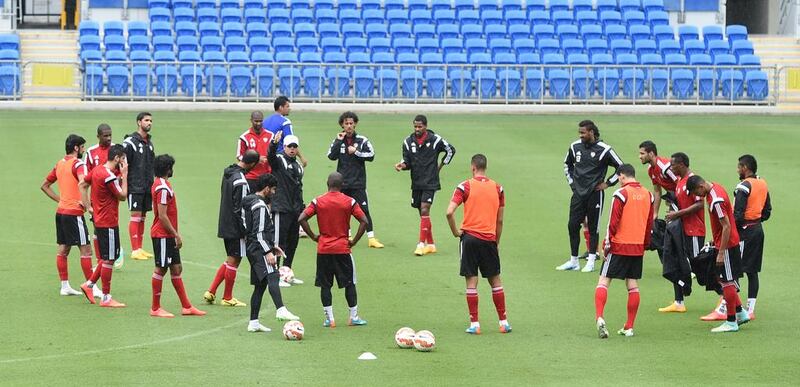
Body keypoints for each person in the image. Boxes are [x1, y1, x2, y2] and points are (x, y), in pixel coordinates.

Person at [445, 154, 511, 335]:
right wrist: (495, 242)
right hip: (489, 239)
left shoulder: (464, 186)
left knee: (471, 282)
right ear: (485, 167)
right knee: (495, 280)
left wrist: (455, 232)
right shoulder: (498, 188)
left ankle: (475, 324)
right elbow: (500, 221)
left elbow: (449, 212)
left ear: (473, 167)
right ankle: (503, 322)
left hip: (469, 239)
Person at [299, 172, 370, 328]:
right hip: (343, 249)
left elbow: (301, 218)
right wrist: (354, 241)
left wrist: (314, 236)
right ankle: (353, 317)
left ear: (327, 184)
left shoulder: (318, 201)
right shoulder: (349, 201)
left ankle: (329, 319)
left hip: (323, 249)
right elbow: (364, 221)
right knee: (350, 283)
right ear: (342, 185)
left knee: (325, 285)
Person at [594, 164, 654, 339]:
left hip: (619, 245)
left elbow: (613, 222)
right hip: (637, 247)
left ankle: (599, 317)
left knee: (604, 281)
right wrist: (644, 244)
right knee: (632, 285)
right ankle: (629, 326)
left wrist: (606, 244)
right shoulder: (648, 195)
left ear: (621, 176)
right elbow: (649, 223)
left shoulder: (621, 194)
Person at [686, 175, 750, 333]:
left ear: (701, 186)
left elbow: (726, 226)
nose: (698, 196)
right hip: (726, 242)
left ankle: (731, 321)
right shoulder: (715, 188)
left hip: (727, 245)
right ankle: (740, 312)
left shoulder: (715, 200)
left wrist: (721, 251)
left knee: (726, 281)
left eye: (696, 192)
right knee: (726, 279)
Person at [557, 120, 623, 273]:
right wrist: (573, 184)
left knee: (593, 227)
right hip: (578, 194)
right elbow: (567, 165)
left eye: (583, 133)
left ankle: (592, 260)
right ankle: (574, 261)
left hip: (595, 194)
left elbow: (621, 167)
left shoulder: (605, 149)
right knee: (572, 225)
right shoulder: (575, 147)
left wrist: (608, 183)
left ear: (592, 132)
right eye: (579, 133)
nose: (581, 136)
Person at [148, 155, 206, 317]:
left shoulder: (162, 184)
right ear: (168, 169)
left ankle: (186, 307)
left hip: (166, 234)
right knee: (161, 269)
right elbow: (162, 215)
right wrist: (176, 235)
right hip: (162, 234)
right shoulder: (162, 188)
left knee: (176, 268)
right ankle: (155, 308)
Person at [242, 174, 300, 332]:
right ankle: (281, 309)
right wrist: (268, 251)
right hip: (258, 248)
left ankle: (253, 323)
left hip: (252, 247)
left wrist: (273, 246)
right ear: (266, 188)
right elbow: (259, 233)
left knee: (260, 286)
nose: (274, 193)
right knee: (273, 275)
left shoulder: (250, 200)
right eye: (273, 189)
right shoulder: (260, 206)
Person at [204, 150, 260, 307]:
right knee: (235, 260)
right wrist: (246, 229)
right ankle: (227, 297)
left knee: (230, 258)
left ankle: (211, 291)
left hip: (225, 222)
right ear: (252, 164)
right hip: (235, 227)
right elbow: (240, 208)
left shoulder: (229, 173)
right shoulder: (241, 181)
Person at [394, 114, 456, 256]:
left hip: (430, 182)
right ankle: (431, 244)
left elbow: (451, 150)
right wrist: (401, 166)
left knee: (424, 209)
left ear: (426, 126)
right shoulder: (408, 142)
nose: (417, 129)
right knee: (423, 214)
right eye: (415, 126)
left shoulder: (435, 140)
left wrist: (440, 166)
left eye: (420, 126)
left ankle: (421, 245)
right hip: (416, 182)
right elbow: (407, 162)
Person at [41, 134, 93, 296]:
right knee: (86, 250)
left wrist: (61, 200)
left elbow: (45, 185)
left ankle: (65, 286)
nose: (84, 150)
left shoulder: (60, 164)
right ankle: (91, 286)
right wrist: (88, 206)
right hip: (74, 213)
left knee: (63, 249)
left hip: (61, 212)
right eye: (82, 147)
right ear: (76, 148)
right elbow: (83, 184)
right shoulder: (79, 164)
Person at [78, 144, 128, 307]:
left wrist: (88, 207)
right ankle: (106, 297)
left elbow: (83, 185)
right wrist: (125, 175)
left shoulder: (98, 170)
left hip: (99, 220)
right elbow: (122, 196)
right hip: (108, 222)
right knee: (109, 259)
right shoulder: (109, 176)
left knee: (108, 257)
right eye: (123, 158)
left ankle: (89, 284)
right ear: (116, 158)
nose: (124, 161)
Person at [327, 111, 384, 248]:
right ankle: (347, 235)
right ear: (342, 125)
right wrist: (338, 141)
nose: (349, 126)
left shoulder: (362, 140)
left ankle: (371, 238)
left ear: (355, 124)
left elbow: (371, 155)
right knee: (343, 211)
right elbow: (331, 156)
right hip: (342, 183)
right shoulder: (338, 140)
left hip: (358, 183)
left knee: (364, 210)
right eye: (346, 123)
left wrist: (356, 152)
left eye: (351, 123)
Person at [660, 152, 704, 313]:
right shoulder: (679, 182)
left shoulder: (692, 181)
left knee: (698, 265)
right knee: (677, 264)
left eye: (673, 165)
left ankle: (724, 295)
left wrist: (676, 214)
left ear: (682, 164)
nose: (671, 167)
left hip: (694, 230)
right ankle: (679, 302)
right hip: (681, 230)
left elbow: (699, 205)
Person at [733, 155, 771, 319]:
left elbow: (738, 214)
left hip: (745, 231)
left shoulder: (743, 186)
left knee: (735, 269)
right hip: (757, 229)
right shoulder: (762, 183)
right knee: (752, 271)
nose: (737, 170)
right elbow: (767, 211)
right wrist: (756, 221)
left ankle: (734, 307)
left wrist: (737, 229)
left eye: (739, 167)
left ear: (745, 168)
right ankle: (750, 309)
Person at [268, 131, 306, 286]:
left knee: (292, 242)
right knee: (278, 242)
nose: (292, 149)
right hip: (281, 208)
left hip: (295, 209)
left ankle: (287, 272)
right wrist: (273, 144)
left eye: (294, 146)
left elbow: (298, 188)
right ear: (284, 147)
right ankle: (275, 275)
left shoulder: (298, 166)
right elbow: (270, 156)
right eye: (289, 146)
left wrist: (301, 208)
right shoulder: (279, 160)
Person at [85, 123, 124, 269]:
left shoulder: (116, 150)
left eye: (110, 135)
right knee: (97, 227)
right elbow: (86, 177)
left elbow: (122, 170)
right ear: (98, 136)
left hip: (112, 193)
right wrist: (87, 201)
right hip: (97, 195)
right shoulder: (91, 152)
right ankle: (100, 260)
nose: (108, 138)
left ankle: (111, 254)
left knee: (109, 222)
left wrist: (117, 181)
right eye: (105, 136)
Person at [123, 112, 155, 261]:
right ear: (138, 122)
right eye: (146, 120)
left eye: (151, 121)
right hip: (135, 185)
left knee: (143, 216)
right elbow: (123, 164)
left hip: (147, 186)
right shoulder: (130, 142)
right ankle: (134, 249)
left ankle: (140, 248)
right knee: (135, 216)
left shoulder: (149, 143)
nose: (149, 123)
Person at [638, 140, 679, 217]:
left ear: (651, 154)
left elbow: (681, 183)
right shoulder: (650, 169)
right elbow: (657, 191)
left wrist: (675, 199)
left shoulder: (664, 167)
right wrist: (655, 213)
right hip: (674, 200)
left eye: (642, 153)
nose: (640, 157)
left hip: (682, 200)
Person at [237, 111, 274, 193]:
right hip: (251, 177)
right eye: (256, 121)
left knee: (267, 204)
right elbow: (239, 156)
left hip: (266, 177)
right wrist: (256, 159)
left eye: (260, 121)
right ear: (251, 120)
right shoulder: (244, 137)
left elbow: (274, 153)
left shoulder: (271, 136)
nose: (258, 123)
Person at [265, 96, 307, 167]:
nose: (289, 109)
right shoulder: (285, 122)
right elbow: (291, 142)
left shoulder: (265, 121)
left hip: (267, 157)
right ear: (281, 107)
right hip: (280, 158)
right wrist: (302, 158)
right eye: (287, 106)